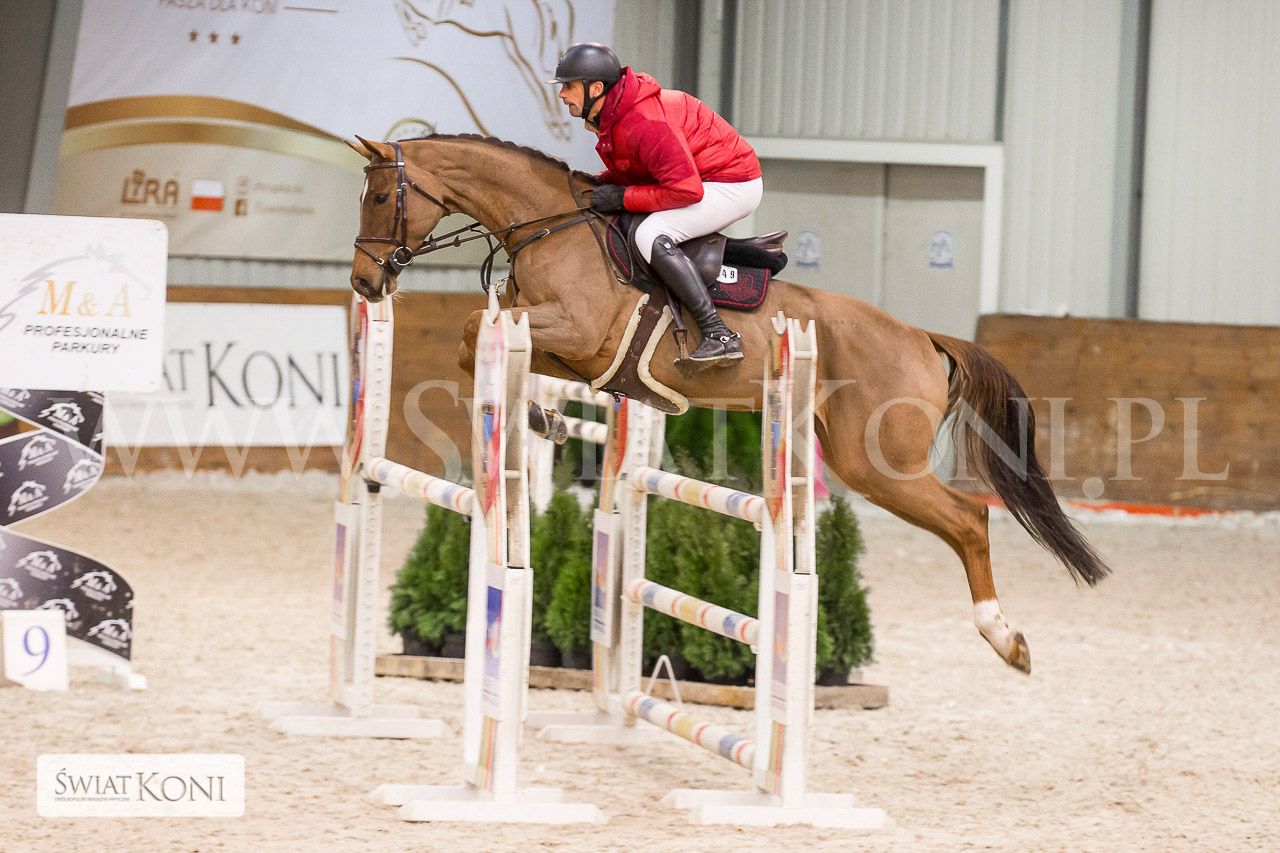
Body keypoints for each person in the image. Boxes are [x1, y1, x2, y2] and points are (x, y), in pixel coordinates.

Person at [548, 42, 762, 369]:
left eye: (569, 86)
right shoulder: (614, 115)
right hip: (700, 178)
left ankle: (719, 334)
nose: (562, 94)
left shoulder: (642, 120)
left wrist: (621, 198)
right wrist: (596, 183)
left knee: (650, 234)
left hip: (732, 183)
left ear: (596, 88)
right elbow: (638, 168)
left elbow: (685, 191)